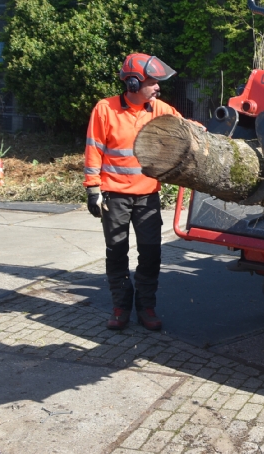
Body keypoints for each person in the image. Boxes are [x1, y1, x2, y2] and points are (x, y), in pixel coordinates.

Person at [84, 53, 184, 331]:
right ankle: (121, 306)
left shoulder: (159, 109)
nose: (158, 87)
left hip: (147, 195)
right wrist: (93, 189)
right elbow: (94, 149)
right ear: (132, 83)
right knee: (116, 252)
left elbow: (186, 129)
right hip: (114, 195)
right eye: (152, 82)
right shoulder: (105, 109)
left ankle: (146, 306)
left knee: (150, 253)